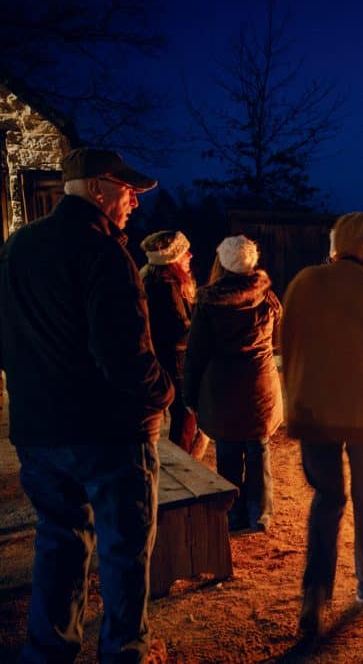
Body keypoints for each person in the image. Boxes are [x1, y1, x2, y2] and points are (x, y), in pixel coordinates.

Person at [0, 148, 173, 662]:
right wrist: (163, 391)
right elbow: (123, 355)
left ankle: (48, 650)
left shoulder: (17, 249)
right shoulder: (103, 253)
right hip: (109, 435)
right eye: (128, 193)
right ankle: (125, 651)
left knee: (59, 539)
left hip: (39, 432)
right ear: (99, 189)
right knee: (124, 547)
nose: (134, 205)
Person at [280, 212, 363, 640]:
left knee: (328, 499)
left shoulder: (304, 283)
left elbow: (288, 343)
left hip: (314, 411)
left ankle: (315, 594)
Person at [184, 235, 283, 532]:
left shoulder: (208, 303)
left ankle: (234, 513)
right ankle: (260, 512)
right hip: (258, 384)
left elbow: (196, 354)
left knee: (228, 452)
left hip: (222, 390)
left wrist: (191, 395)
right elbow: (278, 339)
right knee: (258, 448)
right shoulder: (268, 296)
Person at [140, 230, 205, 457]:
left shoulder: (153, 278)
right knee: (185, 416)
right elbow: (179, 328)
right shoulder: (165, 286)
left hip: (166, 356)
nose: (190, 255)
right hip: (175, 360)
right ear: (172, 258)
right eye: (184, 252)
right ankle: (183, 465)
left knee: (184, 418)